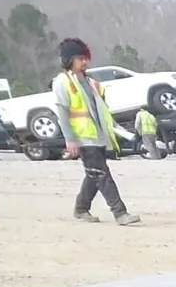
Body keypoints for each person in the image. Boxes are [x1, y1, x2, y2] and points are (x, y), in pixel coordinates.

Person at [52, 38, 141, 224]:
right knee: (101, 174)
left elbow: (101, 110)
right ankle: (120, 213)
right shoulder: (63, 82)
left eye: (86, 58)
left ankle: (81, 209)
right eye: (80, 58)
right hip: (83, 137)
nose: (84, 62)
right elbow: (62, 113)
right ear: (68, 60)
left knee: (94, 174)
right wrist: (70, 139)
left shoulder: (91, 82)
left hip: (98, 136)